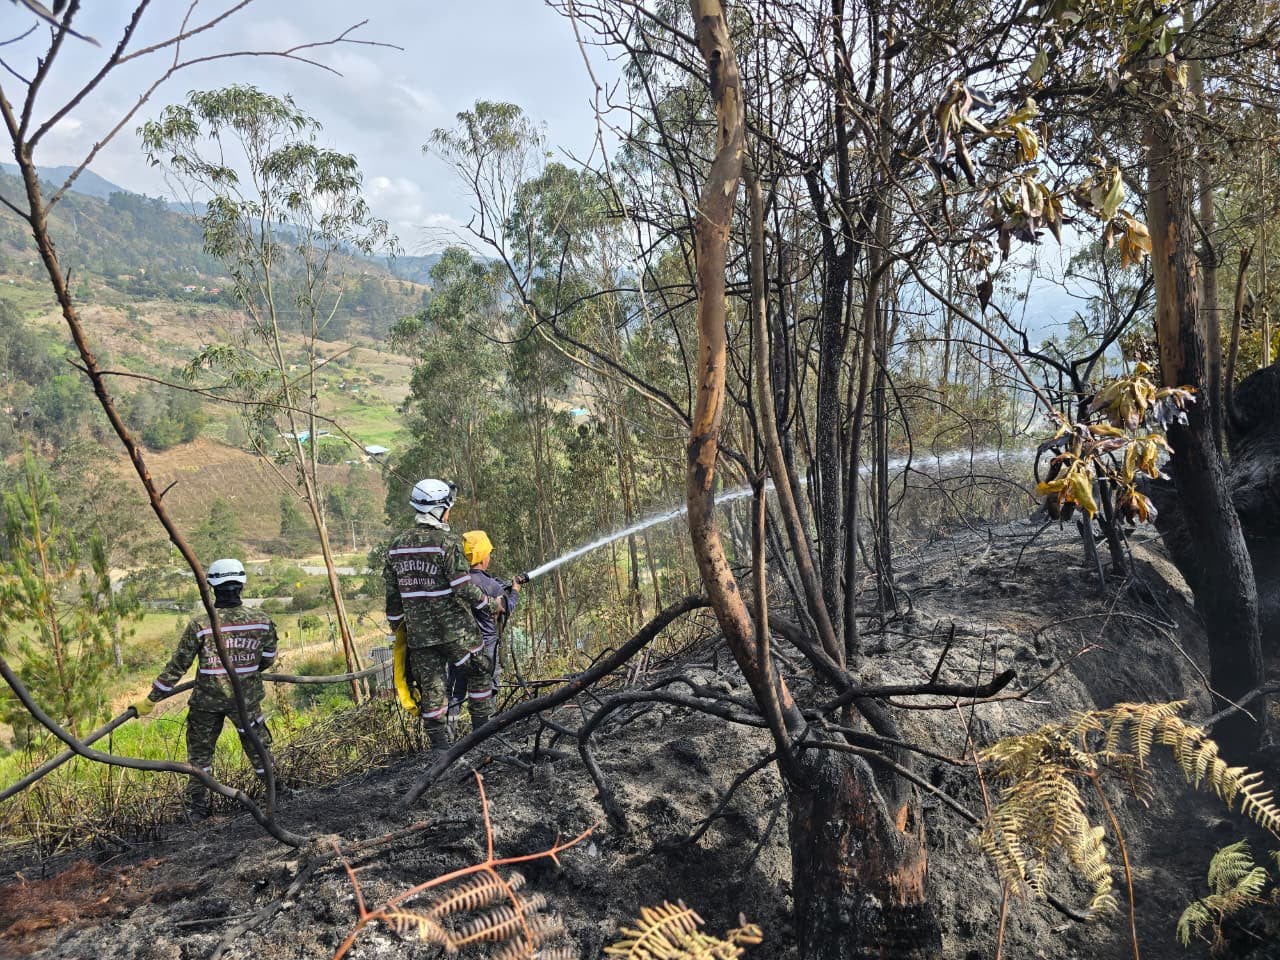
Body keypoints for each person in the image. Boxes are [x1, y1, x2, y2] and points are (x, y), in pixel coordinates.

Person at [132, 558, 278, 818]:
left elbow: (178, 666)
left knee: (200, 759)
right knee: (259, 749)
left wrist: (152, 698)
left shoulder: (201, 625)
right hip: (246, 701)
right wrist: (247, 672)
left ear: (211, 586)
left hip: (206, 704)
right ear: (242, 584)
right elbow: (267, 658)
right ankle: (277, 794)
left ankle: (198, 808)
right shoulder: (262, 621)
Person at [384, 478, 504, 750]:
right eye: (447, 508)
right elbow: (463, 588)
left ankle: (440, 754)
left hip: (420, 637)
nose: (449, 513)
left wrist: (396, 625)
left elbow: (393, 598)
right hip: (456, 632)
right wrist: (489, 603)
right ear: (438, 509)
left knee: (433, 691)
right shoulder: (446, 543)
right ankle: (483, 739)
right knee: (479, 673)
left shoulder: (396, 546)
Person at [445, 530, 520, 724]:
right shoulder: (491, 585)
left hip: (458, 648)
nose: (489, 557)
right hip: (486, 648)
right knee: (487, 691)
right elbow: (506, 609)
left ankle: (449, 735)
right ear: (482, 556)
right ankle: (485, 733)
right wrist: (515, 592)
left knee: (455, 692)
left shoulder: (457, 582)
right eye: (488, 553)